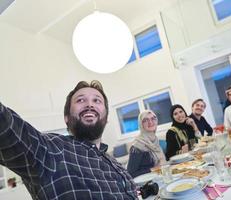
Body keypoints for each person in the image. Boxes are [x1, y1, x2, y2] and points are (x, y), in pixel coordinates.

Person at [0, 80, 137, 200]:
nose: (90, 104)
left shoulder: (115, 164)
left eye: (97, 100)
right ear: (67, 117)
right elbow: (8, 128)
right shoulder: (50, 150)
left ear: (106, 118)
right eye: (80, 100)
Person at [127, 110, 166, 178]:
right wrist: (153, 169)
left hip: (159, 176)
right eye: (145, 120)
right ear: (141, 124)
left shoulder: (155, 140)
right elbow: (130, 174)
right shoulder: (137, 146)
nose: (150, 122)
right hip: (146, 183)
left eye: (153, 118)